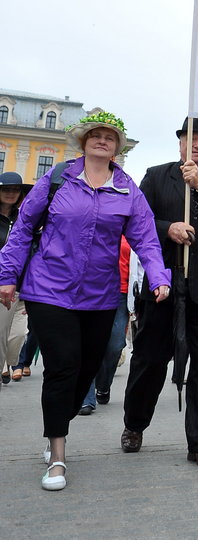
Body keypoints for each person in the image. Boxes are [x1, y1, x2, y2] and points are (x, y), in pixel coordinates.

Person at [0, 113, 169, 491]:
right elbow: (24, 227)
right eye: (96, 134)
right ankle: (58, 455)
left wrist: (159, 277)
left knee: (87, 368)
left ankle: (57, 423)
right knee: (62, 366)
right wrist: (7, 275)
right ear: (84, 141)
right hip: (49, 288)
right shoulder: (57, 179)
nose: (102, 140)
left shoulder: (127, 190)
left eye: (110, 137)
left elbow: (146, 239)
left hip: (99, 294)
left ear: (117, 147)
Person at [121, 117, 198, 468]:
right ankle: (134, 424)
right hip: (163, 284)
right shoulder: (157, 176)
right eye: (192, 139)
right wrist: (168, 228)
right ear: (180, 143)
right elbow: (135, 220)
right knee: (150, 360)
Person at [79, 236, 133, 414]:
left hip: (121, 293)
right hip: (91, 289)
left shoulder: (131, 225)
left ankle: (103, 384)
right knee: (87, 343)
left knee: (115, 344)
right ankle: (85, 398)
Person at [0, 172, 31, 387]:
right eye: (6, 189)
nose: (11, 193)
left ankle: (8, 363)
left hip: (20, 287)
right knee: (0, 334)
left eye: (15, 190)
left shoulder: (25, 219)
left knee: (18, 335)